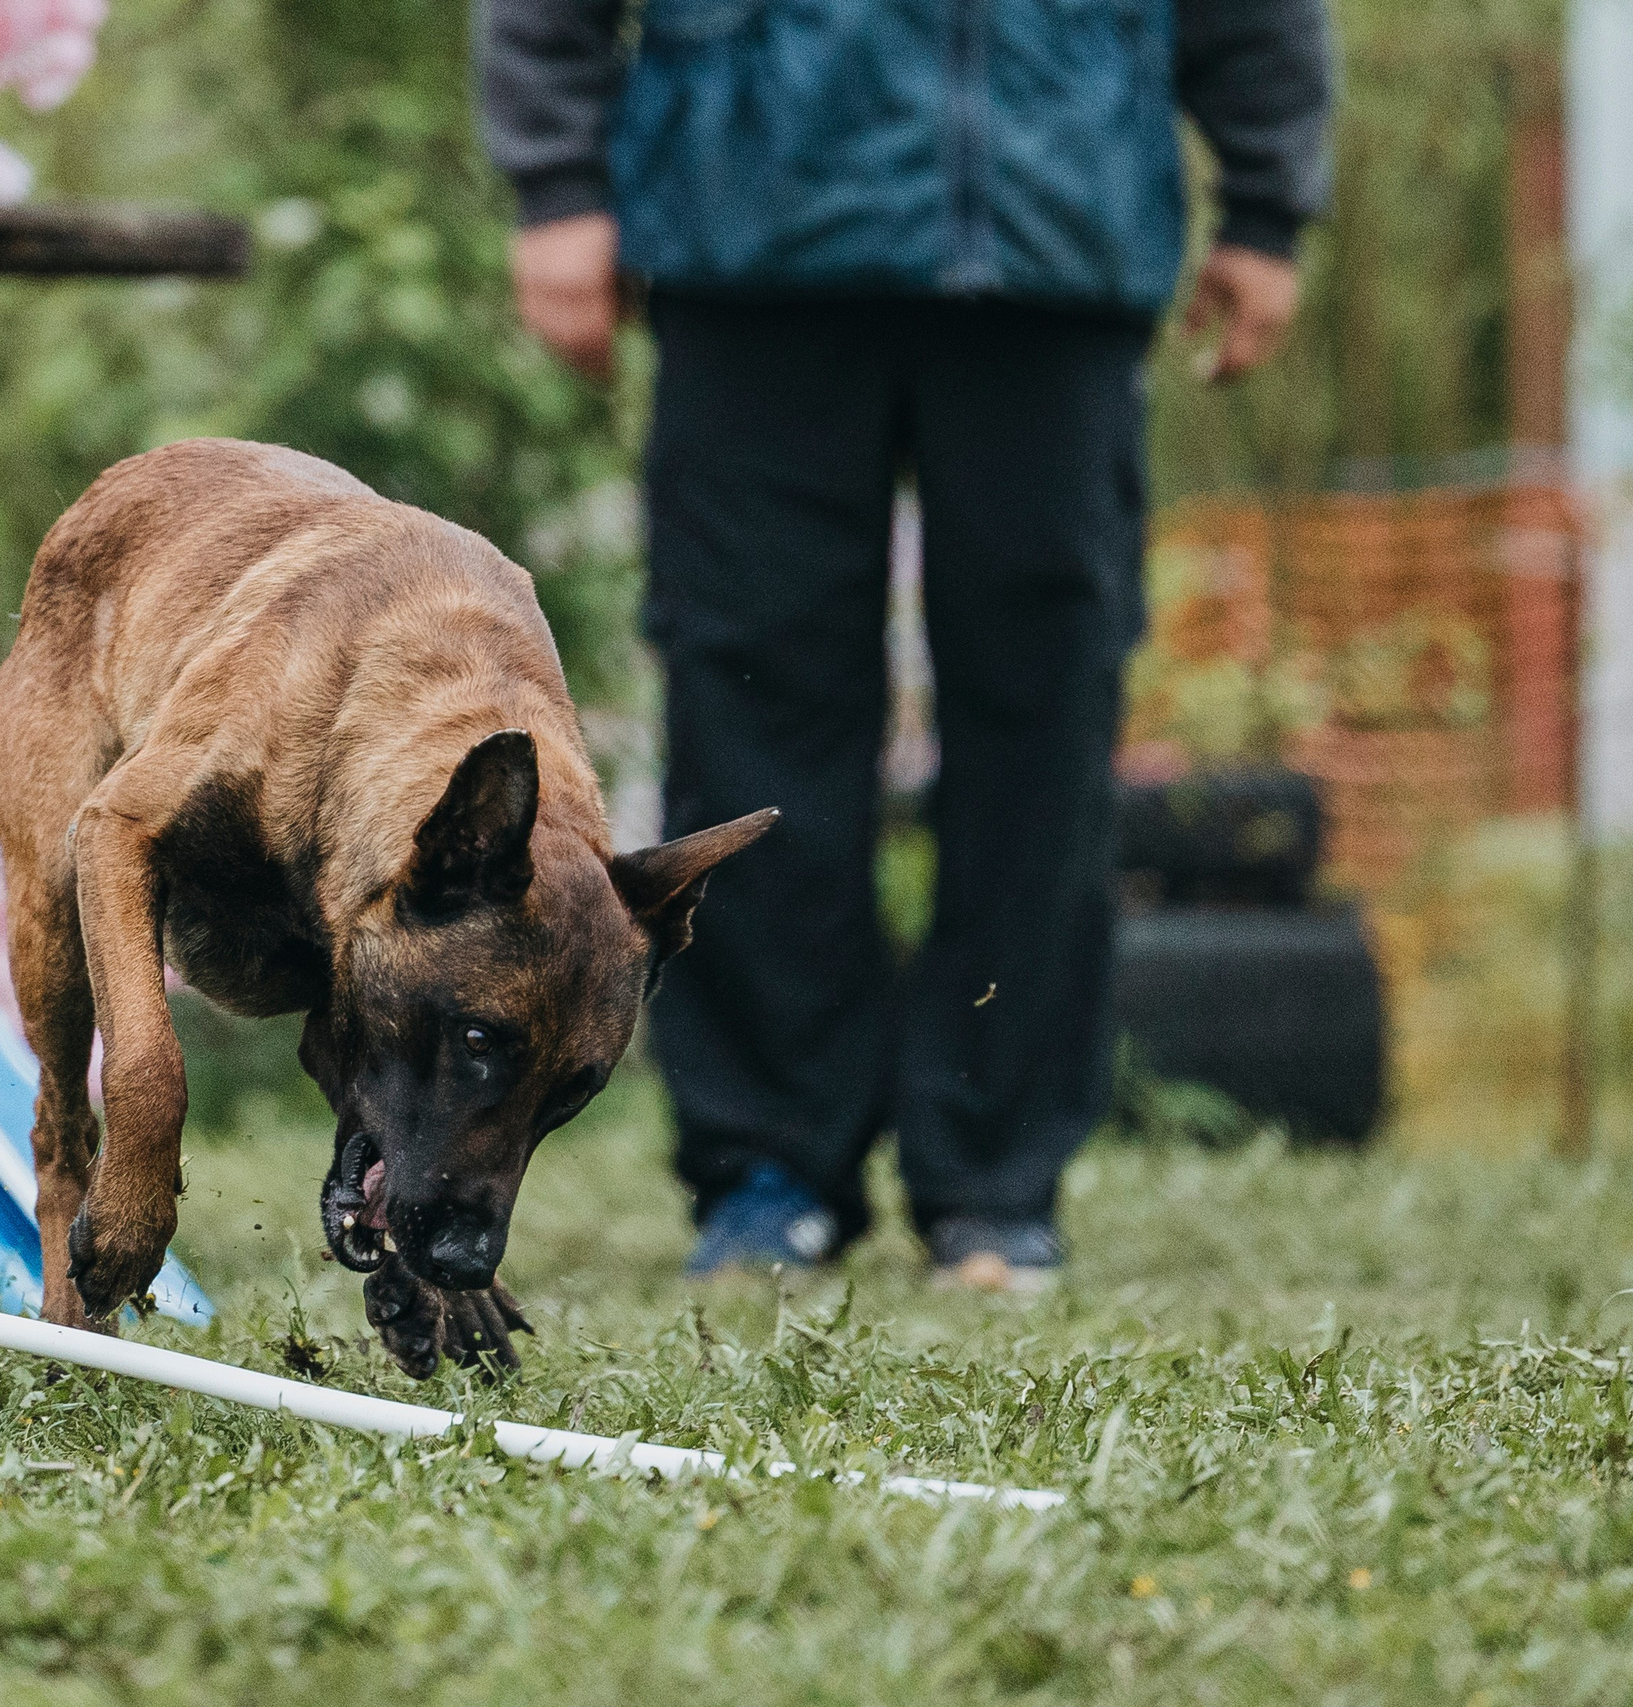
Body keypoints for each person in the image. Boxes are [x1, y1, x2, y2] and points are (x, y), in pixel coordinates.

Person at [476, 0, 1333, 1290]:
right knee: (752, 706)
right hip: (748, 232)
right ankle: (770, 1167)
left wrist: (1268, 204)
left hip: (1054, 245)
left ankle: (995, 1186)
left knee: (1043, 718)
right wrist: (557, 188)